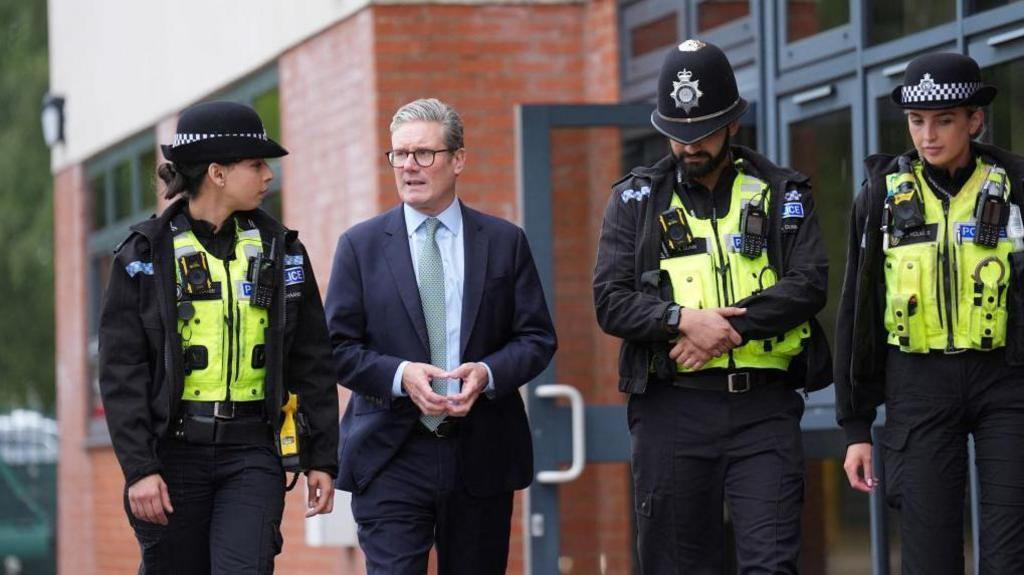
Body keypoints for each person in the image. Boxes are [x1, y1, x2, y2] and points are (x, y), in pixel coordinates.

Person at [593, 40, 831, 573]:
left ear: (732, 126)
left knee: (771, 563)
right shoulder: (635, 200)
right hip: (671, 411)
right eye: (677, 135)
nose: (689, 147)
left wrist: (726, 330)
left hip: (763, 409)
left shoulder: (782, 190)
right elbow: (610, 301)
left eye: (701, 133)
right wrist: (682, 321)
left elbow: (809, 282)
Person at [98, 100, 339, 574]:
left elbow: (312, 359)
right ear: (217, 173)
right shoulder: (142, 255)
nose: (268, 175)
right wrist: (140, 469)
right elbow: (121, 371)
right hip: (172, 456)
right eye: (256, 164)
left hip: (253, 453)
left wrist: (323, 458)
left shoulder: (283, 251)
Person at [324, 97, 557, 574]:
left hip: (481, 450)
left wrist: (488, 373)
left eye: (423, 154)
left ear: (458, 159)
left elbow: (536, 338)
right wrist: (401, 375)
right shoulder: (360, 246)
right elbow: (337, 349)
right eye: (399, 155)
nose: (409, 166)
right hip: (390, 450)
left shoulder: (503, 241)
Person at [837, 52, 1024, 573]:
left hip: (1006, 383)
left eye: (944, 120)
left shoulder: (1016, 185)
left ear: (975, 120)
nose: (928, 135)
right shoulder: (880, 197)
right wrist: (856, 426)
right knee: (929, 556)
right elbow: (858, 310)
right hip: (917, 386)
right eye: (917, 122)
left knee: (1012, 553)